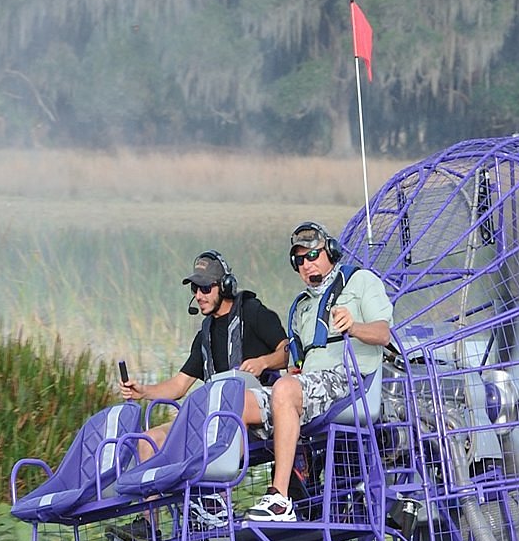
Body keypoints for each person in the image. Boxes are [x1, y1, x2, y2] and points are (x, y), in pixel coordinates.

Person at [246, 221, 393, 522]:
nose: (306, 264)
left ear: (331, 252)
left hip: (350, 380)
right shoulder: (301, 307)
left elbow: (383, 334)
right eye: (299, 260)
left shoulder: (360, 281)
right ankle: (212, 504)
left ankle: (279, 498)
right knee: (236, 399)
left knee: (285, 389)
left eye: (312, 255)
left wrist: (353, 326)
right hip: (309, 384)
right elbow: (295, 364)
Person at [119, 249, 288, 458]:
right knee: (149, 441)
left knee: (219, 424)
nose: (199, 296)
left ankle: (213, 486)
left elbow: (289, 352)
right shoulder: (204, 335)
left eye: (206, 288)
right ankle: (160, 491)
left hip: (255, 418)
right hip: (214, 417)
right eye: (195, 288)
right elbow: (179, 386)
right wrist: (143, 391)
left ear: (225, 287)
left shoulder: (253, 313)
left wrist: (264, 362)